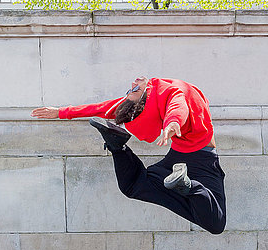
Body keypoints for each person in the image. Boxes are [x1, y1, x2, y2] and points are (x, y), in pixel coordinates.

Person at [31, 76, 226, 234]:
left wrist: (172, 124)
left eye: (133, 89)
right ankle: (186, 185)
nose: (134, 83)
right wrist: (61, 112)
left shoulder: (172, 90)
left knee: (135, 185)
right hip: (202, 161)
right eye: (132, 90)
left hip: (181, 158)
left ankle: (118, 148)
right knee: (216, 224)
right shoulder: (155, 92)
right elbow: (101, 108)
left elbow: (178, 106)